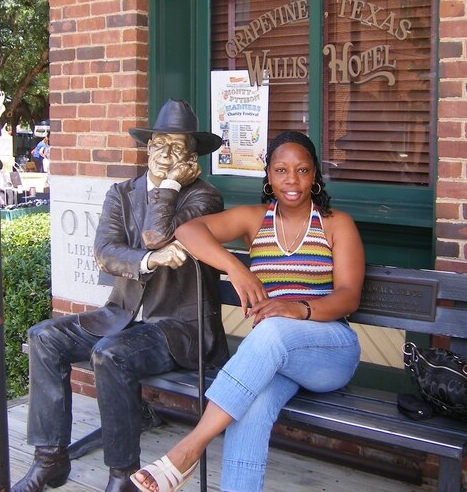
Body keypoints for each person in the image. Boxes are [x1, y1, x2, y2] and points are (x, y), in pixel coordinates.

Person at [12, 99, 229, 492]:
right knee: (44, 337)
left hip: (179, 327)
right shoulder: (121, 194)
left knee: (111, 355)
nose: (166, 155)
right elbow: (105, 252)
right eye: (160, 144)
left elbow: (155, 234)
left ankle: (122, 476)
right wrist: (150, 261)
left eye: (179, 148)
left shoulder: (204, 197)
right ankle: (50, 460)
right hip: (121, 315)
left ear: (192, 158)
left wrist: (171, 187)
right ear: (147, 148)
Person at [132, 130, 365, 492]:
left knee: (270, 329)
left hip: (329, 349)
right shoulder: (255, 220)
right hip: (275, 356)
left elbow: (349, 297)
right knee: (250, 406)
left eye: (303, 170)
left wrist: (296, 309)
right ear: (269, 175)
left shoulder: (337, 224)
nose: (292, 180)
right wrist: (236, 269)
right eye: (282, 170)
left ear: (315, 175)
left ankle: (189, 449)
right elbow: (188, 230)